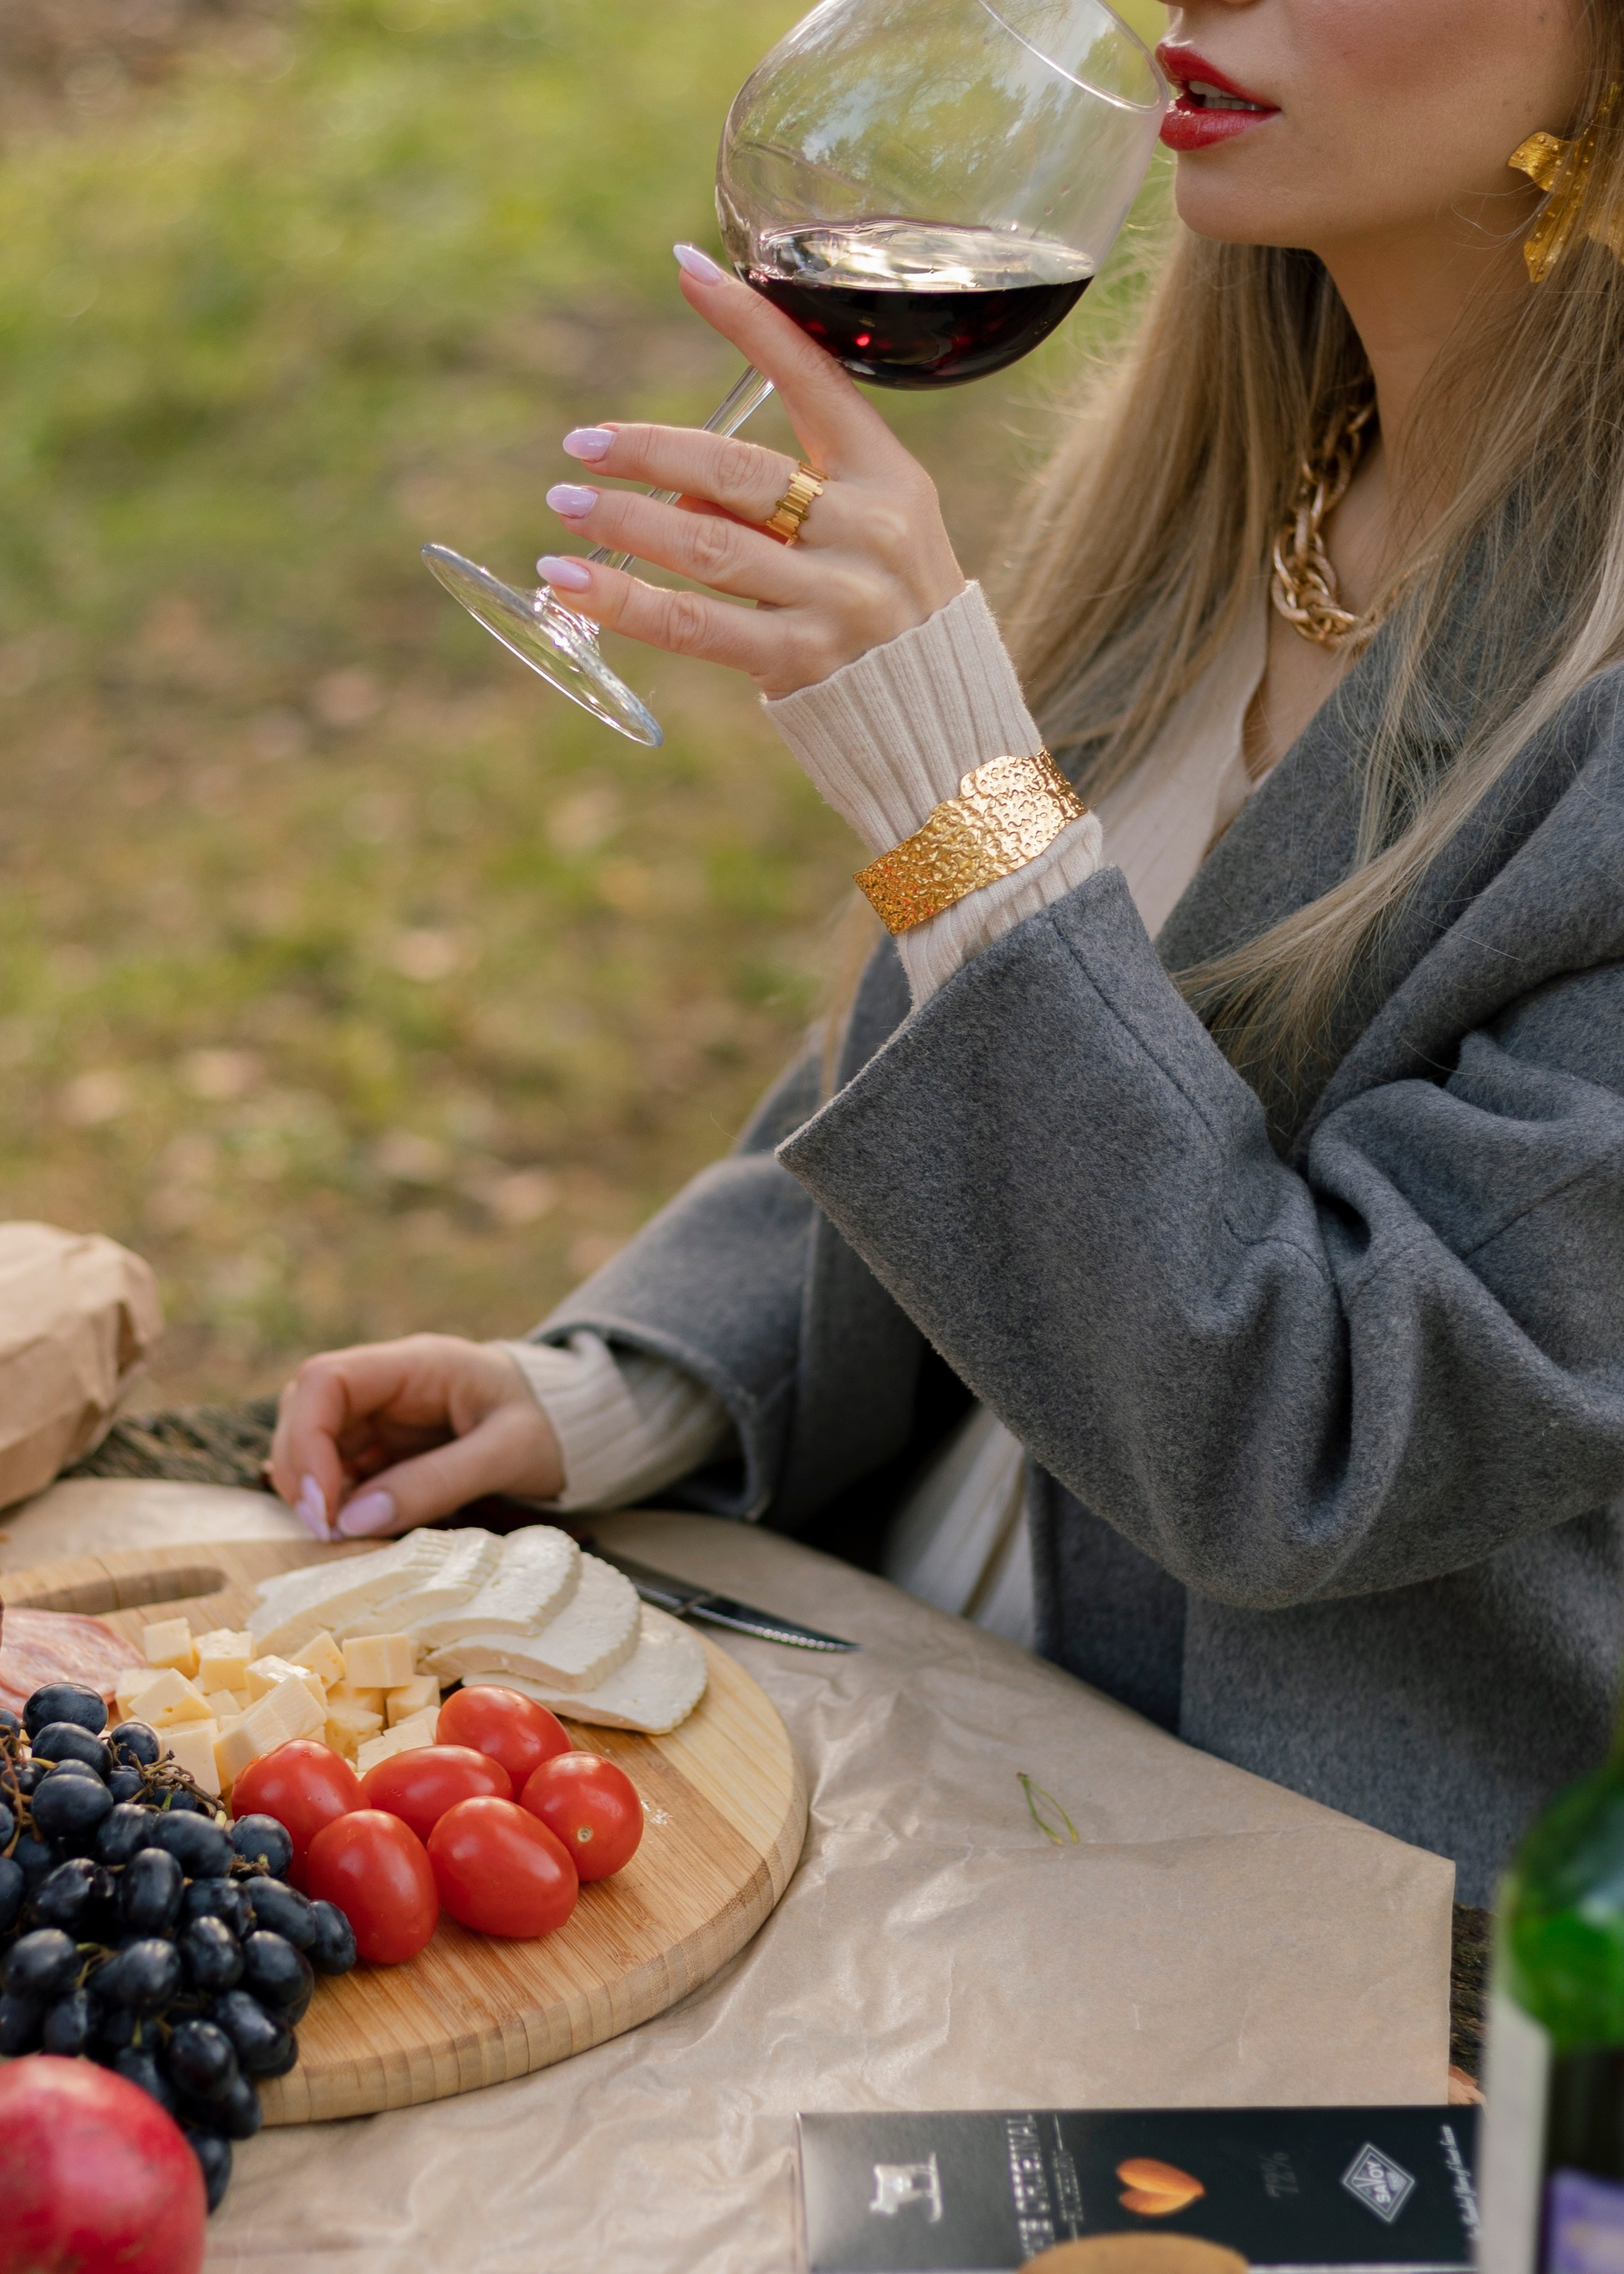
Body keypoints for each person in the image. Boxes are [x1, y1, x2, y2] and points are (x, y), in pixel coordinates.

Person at [270, 0, 1624, 1904]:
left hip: (1299, 1914)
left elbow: (1314, 1438)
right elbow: (1012, 1078)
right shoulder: (1248, 475)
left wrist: (956, 810)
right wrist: (650, 1381)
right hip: (894, 1720)